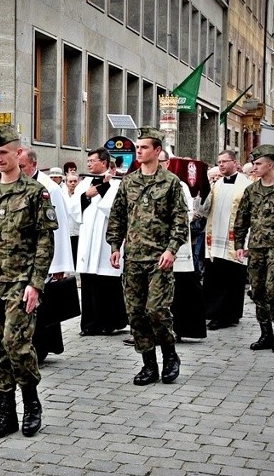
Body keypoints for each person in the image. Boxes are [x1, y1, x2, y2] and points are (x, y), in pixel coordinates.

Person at [0, 125, 57, 439]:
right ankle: (5, 411)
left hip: (20, 284)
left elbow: (45, 242)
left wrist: (36, 283)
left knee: (16, 345)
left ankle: (32, 404)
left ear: (18, 153)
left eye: (4, 153)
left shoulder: (35, 192)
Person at [106, 127, 187, 386]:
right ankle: (149, 364)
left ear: (157, 151)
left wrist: (171, 249)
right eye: (137, 147)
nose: (138, 151)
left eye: (143, 147)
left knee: (156, 311)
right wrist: (115, 246)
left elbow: (179, 220)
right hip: (134, 259)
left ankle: (170, 355)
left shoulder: (171, 182)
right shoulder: (129, 182)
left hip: (158, 259)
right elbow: (117, 216)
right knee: (136, 313)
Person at [232, 144, 274, 353]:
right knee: (258, 291)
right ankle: (265, 333)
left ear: (270, 165)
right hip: (256, 247)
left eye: (259, 163)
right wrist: (239, 245)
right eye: (254, 163)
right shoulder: (251, 190)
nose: (255, 167)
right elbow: (241, 219)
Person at [18, 146, 75, 362]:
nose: (19, 169)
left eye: (22, 166)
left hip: (45, 258)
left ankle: (39, 349)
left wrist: (59, 265)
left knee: (42, 307)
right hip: (23, 258)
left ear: (33, 164)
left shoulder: (49, 189)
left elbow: (58, 229)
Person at [74, 148, 126, 337]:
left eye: (92, 161)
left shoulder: (116, 183)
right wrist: (86, 195)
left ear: (104, 163)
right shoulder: (84, 182)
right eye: (88, 161)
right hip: (88, 237)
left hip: (105, 239)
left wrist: (103, 188)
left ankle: (110, 322)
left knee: (106, 282)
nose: (88, 164)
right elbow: (73, 208)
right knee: (88, 283)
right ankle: (89, 324)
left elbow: (115, 209)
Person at [160, 151, 207, 342]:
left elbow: (187, 213)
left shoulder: (179, 185)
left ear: (167, 163)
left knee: (178, 289)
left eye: (161, 161)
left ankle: (178, 329)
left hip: (174, 246)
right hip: (149, 247)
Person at [203, 149, 251, 331]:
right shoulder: (216, 184)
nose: (221, 165)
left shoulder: (246, 185)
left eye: (224, 161)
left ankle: (230, 314)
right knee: (215, 277)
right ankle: (215, 313)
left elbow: (250, 215)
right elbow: (205, 209)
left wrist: (246, 242)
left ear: (235, 163)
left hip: (235, 240)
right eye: (219, 162)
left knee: (233, 278)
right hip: (215, 238)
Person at [63, 173, 81, 264]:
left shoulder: (81, 195)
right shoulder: (62, 194)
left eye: (75, 181)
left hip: (78, 230)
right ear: (66, 183)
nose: (73, 183)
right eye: (70, 181)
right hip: (67, 230)